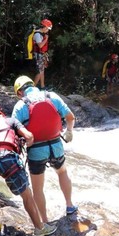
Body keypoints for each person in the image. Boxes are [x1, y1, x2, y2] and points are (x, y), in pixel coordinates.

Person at [12, 75, 77, 223]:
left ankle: (45, 221)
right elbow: (70, 117)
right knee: (62, 172)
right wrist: (69, 132)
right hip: (56, 144)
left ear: (19, 92)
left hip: (36, 150)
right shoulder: (51, 96)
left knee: (38, 188)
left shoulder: (21, 105)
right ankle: (70, 205)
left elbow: (14, 130)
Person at [31, 19, 53, 89]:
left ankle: (42, 86)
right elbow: (40, 45)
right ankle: (32, 88)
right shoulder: (37, 34)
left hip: (42, 54)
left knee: (42, 71)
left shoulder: (42, 34)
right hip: (38, 55)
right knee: (39, 72)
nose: (48, 30)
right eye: (47, 28)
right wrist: (46, 39)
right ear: (44, 27)